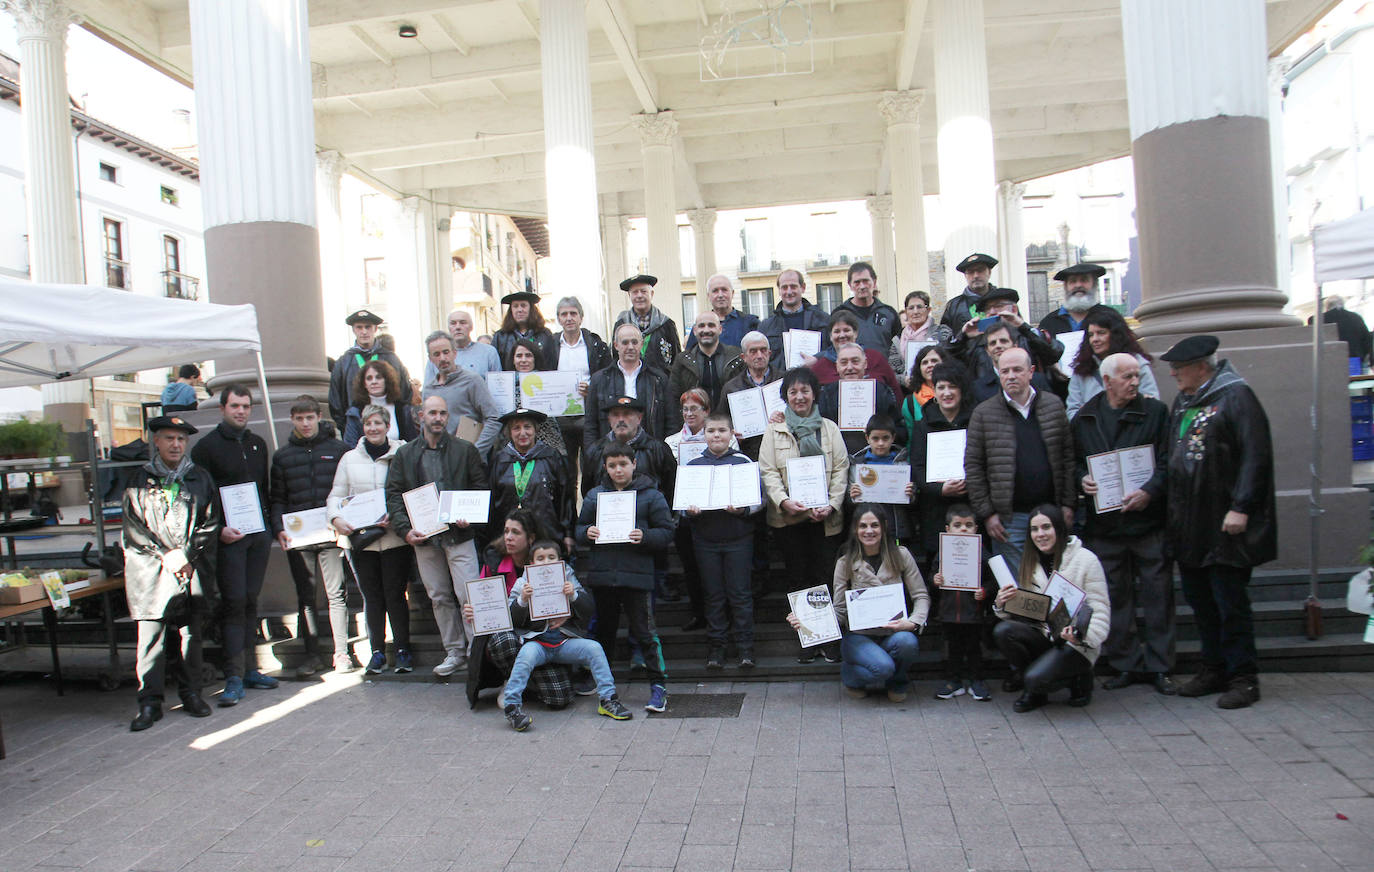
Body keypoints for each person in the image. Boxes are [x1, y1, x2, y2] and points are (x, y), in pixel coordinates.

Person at [1163, 335, 1276, 710]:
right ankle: (1213, 669)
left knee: (1230, 603)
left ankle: (1243, 677)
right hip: (1191, 524)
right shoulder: (1185, 402)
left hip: (1225, 522)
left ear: (1201, 367)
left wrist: (1241, 506)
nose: (1175, 374)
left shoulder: (1237, 397)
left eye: (1179, 368)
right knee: (1201, 602)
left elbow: (1255, 456)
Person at [1073, 353, 1176, 695]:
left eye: (1136, 375)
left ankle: (1161, 665)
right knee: (1114, 597)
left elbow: (1166, 461)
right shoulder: (1085, 418)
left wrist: (1150, 491)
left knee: (1158, 595)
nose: (1135, 382)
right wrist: (1081, 479)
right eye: (1127, 376)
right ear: (1107, 381)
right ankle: (1125, 663)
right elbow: (1072, 463)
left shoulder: (1157, 413)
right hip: (1106, 527)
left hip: (1147, 522)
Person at [124, 415, 219, 731]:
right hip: (152, 571)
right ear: (156, 441)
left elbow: (211, 522)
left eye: (180, 439)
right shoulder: (139, 480)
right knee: (151, 640)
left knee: (190, 637)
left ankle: (191, 694)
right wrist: (167, 555)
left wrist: (188, 556)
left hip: (189, 570)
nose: (176, 444)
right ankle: (149, 703)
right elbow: (134, 530)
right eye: (169, 438)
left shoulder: (200, 478)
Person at [385, 395, 490, 677]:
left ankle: (475, 651)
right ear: (421, 416)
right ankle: (454, 651)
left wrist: (472, 517)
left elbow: (480, 488)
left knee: (468, 593)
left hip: (460, 535)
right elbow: (394, 495)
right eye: (432, 413)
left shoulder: (464, 450)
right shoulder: (406, 454)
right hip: (425, 538)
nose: (438, 418)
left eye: (443, 413)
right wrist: (405, 529)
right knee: (439, 596)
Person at [190, 384, 279, 706]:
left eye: (245, 406)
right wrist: (219, 530)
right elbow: (202, 497)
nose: (240, 411)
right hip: (228, 538)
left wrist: (269, 528)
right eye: (234, 406)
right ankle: (233, 676)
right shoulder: (206, 447)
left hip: (256, 536)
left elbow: (264, 490)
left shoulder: (258, 445)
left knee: (251, 601)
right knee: (233, 602)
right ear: (223, 408)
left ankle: (251, 669)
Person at [576, 443, 676, 713]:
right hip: (603, 576)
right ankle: (604, 687)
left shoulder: (651, 495)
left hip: (637, 576)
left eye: (623, 464)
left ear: (634, 464)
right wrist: (587, 533)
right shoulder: (595, 496)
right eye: (612, 465)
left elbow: (667, 532)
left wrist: (646, 537)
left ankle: (659, 688)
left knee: (645, 634)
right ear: (605, 468)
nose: (618, 470)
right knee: (603, 634)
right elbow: (579, 529)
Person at [759, 366, 849, 662]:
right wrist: (783, 501)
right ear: (785, 395)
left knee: (825, 575)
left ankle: (829, 637)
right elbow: (768, 471)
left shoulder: (830, 428)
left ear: (815, 394)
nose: (799, 396)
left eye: (805, 391)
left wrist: (832, 505)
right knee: (798, 579)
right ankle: (809, 637)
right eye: (793, 391)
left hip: (825, 519)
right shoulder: (774, 430)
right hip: (789, 519)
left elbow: (840, 470)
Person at [499, 540, 635, 731]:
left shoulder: (567, 577)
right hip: (537, 642)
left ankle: (608, 699)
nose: (546, 562)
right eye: (540, 558)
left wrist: (574, 596)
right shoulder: (523, 583)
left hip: (564, 642)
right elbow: (510, 618)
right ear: (530, 564)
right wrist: (522, 600)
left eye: (551, 557)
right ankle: (512, 706)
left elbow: (589, 609)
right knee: (525, 657)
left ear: (560, 561)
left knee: (594, 649)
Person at [965, 348, 1076, 575]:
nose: (1011, 376)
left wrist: (1068, 504)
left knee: (1059, 580)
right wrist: (987, 513)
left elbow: (1067, 458)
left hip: (1051, 513)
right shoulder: (983, 413)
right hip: (1008, 520)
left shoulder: (1054, 406)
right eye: (1004, 371)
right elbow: (974, 467)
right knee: (1021, 591)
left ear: (1031, 371)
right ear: (997, 373)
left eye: (1017, 370)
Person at [992, 505, 1110, 712]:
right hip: (1045, 635)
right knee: (1003, 632)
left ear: (1059, 528)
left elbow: (1100, 612)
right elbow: (1027, 612)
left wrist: (1080, 636)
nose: (1040, 534)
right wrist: (1003, 603)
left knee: (1034, 679)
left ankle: (1079, 678)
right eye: (1034, 529)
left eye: (1046, 527)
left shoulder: (1086, 560)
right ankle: (1036, 691)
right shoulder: (1029, 562)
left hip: (1074, 643)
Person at [269, 395, 352, 676]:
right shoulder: (282, 456)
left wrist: (342, 520)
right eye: (299, 418)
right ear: (292, 420)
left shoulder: (339, 450)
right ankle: (312, 654)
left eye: (309, 417)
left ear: (318, 417)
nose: (305, 423)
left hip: (330, 534)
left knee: (336, 594)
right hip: (299, 537)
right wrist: (278, 528)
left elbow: (346, 492)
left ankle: (341, 652)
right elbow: (277, 497)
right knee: (306, 598)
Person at [327, 404, 413, 675]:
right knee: (372, 597)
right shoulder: (349, 458)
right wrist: (336, 519)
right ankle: (376, 652)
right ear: (362, 427)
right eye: (368, 424)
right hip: (362, 541)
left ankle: (402, 650)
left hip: (394, 539)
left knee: (395, 595)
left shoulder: (402, 452)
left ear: (388, 426)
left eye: (378, 423)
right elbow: (335, 496)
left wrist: (398, 514)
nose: (373, 428)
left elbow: (411, 489)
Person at [813, 505, 928, 701]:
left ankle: (896, 683)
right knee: (883, 667)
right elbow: (840, 609)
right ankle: (851, 677)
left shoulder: (901, 555)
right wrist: (810, 622)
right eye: (863, 526)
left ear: (883, 527)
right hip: (858, 637)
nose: (869, 531)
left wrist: (913, 622)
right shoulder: (845, 563)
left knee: (908, 642)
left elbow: (921, 596)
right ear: (855, 530)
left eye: (874, 525)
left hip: (893, 632)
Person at [466, 511, 577, 711]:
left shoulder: (546, 560)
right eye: (506, 531)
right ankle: (511, 681)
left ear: (531, 538)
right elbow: (483, 603)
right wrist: (474, 612)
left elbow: (573, 597)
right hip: (508, 636)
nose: (508, 537)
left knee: (559, 699)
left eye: (515, 532)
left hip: (541, 637)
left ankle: (530, 683)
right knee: (504, 641)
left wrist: (567, 609)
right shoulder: (494, 562)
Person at [682, 411, 761, 669]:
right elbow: (681, 506)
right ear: (703, 434)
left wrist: (743, 510)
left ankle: (745, 648)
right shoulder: (692, 466)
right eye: (711, 431)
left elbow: (760, 501)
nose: (716, 435)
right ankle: (716, 648)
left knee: (740, 595)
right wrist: (688, 511)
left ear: (731, 435)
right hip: (705, 540)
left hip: (738, 539)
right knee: (714, 595)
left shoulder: (743, 462)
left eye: (722, 431)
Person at [910, 363, 975, 577]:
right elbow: (917, 469)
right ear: (935, 391)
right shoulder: (922, 425)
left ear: (961, 390)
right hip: (935, 509)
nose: (947, 393)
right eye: (941, 387)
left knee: (971, 567)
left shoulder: (975, 421)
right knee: (937, 572)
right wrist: (941, 489)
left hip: (969, 505)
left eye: (952, 387)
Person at [950, 287, 1062, 404]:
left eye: (998, 306)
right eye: (988, 309)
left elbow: (1054, 353)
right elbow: (950, 361)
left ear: (1013, 309)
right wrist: (963, 336)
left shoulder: (1028, 337)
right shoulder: (978, 343)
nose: (992, 312)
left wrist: (1023, 327)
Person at [929, 504, 994, 701]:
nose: (963, 529)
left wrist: (985, 591)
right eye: (957, 525)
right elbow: (931, 576)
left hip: (973, 613)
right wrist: (935, 580)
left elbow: (993, 581)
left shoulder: (983, 553)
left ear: (976, 529)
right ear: (948, 530)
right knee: (952, 649)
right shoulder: (942, 553)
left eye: (969, 525)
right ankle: (953, 681)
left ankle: (977, 681)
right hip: (949, 612)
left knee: (975, 649)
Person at [489, 409, 575, 555]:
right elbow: (493, 500)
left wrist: (568, 533)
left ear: (536, 429)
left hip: (547, 535)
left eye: (527, 427)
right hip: (511, 539)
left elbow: (565, 498)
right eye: (516, 428)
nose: (522, 433)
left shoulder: (552, 457)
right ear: (509, 432)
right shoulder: (500, 460)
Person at [664, 387, 714, 622]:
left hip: (713, 513)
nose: (689, 414)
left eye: (695, 408)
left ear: (706, 411)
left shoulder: (719, 436)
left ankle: (717, 615)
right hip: (684, 514)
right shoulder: (671, 442)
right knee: (691, 566)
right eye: (685, 409)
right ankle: (697, 613)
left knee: (712, 568)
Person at [553, 296, 614, 485]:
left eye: (573, 313)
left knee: (591, 466)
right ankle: (569, 513)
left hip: (588, 416)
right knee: (565, 470)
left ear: (581, 317)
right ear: (558, 318)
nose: (569, 318)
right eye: (564, 314)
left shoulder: (596, 345)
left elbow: (608, 377)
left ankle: (589, 509)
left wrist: (592, 390)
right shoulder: (550, 345)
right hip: (560, 418)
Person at [583, 322, 674, 445]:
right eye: (625, 342)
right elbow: (590, 425)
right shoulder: (599, 380)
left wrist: (662, 453)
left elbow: (671, 423)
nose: (630, 347)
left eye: (635, 342)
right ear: (616, 345)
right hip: (611, 454)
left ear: (641, 344)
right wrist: (593, 455)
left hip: (650, 452)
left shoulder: (659, 379)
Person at [1065, 307, 1160, 418]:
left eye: (1101, 333)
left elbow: (1152, 405)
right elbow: (1072, 412)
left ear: (1116, 334)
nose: (1094, 339)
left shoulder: (1137, 364)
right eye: (1091, 335)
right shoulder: (1082, 370)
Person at [420, 330, 503, 457]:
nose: (442, 358)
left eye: (446, 352)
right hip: (438, 461)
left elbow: (493, 418)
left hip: (468, 463)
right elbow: (425, 426)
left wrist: (475, 452)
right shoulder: (428, 389)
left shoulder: (472, 381)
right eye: (436, 354)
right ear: (431, 359)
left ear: (454, 353)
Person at [329, 309, 412, 431]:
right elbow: (336, 399)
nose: (364, 332)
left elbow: (404, 391)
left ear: (375, 329)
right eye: (359, 327)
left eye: (368, 327)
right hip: (357, 428)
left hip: (391, 427)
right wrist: (347, 426)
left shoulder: (390, 358)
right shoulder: (344, 362)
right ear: (353, 330)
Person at [583, 395, 677, 503]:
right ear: (609, 419)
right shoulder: (595, 451)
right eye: (615, 415)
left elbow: (670, 490)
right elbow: (588, 492)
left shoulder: (658, 449)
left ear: (639, 418)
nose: (621, 419)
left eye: (627, 414)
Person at [817, 343, 903, 454]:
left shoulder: (881, 391)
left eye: (855, 361)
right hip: (838, 457)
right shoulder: (827, 394)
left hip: (875, 457)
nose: (850, 367)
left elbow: (897, 427)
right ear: (837, 367)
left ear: (865, 364)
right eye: (844, 363)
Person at [844, 414, 914, 543]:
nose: (880, 443)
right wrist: (852, 496)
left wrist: (911, 494)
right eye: (875, 438)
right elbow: (849, 501)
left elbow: (912, 502)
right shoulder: (857, 464)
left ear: (893, 438)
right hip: (867, 530)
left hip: (894, 528)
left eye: (885, 438)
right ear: (867, 438)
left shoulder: (902, 464)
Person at [721, 330, 785, 462]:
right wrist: (733, 434)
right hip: (748, 453)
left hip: (782, 449)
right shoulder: (731, 388)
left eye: (763, 350)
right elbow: (722, 421)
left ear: (769, 353)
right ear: (743, 357)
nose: (759, 355)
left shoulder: (784, 381)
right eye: (753, 351)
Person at [500, 338, 568, 456]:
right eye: (519, 356)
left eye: (528, 355)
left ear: (535, 358)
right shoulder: (503, 386)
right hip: (515, 444)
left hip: (547, 443)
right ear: (513, 360)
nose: (524, 360)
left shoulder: (551, 383)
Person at [807, 310, 901, 395]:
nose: (842, 335)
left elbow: (895, 391)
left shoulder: (876, 359)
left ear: (856, 333)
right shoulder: (819, 368)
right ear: (831, 336)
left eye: (847, 330)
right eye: (837, 331)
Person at [669, 310, 744, 412]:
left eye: (711, 325)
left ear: (720, 329)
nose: (706, 330)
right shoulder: (682, 360)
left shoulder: (736, 357)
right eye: (701, 326)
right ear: (695, 330)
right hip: (695, 424)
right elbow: (673, 398)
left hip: (728, 423)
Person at [758, 268, 830, 366]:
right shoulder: (766, 326)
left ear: (803, 287)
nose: (789, 291)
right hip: (781, 379)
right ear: (779, 290)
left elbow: (834, 350)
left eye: (793, 286)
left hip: (816, 378)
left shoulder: (823, 319)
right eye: (784, 287)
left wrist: (817, 358)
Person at [614, 273, 681, 373]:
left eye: (644, 291)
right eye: (635, 292)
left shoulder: (666, 324)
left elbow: (677, 360)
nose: (639, 296)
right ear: (629, 295)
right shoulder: (621, 324)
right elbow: (615, 357)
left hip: (660, 385)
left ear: (652, 294)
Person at [343, 359, 419, 445]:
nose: (374, 382)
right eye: (369, 378)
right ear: (364, 384)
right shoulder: (355, 412)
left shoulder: (402, 410)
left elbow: (412, 444)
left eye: (378, 377)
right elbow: (350, 445)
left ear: (387, 381)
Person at [833, 261, 900, 352]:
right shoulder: (839, 314)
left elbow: (899, 346)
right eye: (857, 282)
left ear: (874, 282)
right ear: (850, 285)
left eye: (865, 281)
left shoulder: (889, 313)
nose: (862, 286)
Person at [424, 309, 502, 385]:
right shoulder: (438, 357)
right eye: (453, 323)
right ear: (448, 328)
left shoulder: (488, 352)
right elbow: (428, 390)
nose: (458, 327)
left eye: (463, 323)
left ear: (471, 327)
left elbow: (498, 387)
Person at [686, 274, 761, 350]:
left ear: (733, 293)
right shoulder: (700, 327)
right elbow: (689, 357)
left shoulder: (750, 323)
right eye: (715, 291)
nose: (720, 295)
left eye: (724, 290)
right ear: (708, 296)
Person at [493, 291, 558, 371]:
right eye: (515, 306)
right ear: (511, 310)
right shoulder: (500, 337)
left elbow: (552, 364)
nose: (519, 310)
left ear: (531, 309)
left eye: (523, 305)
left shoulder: (545, 334)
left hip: (539, 382)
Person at [1039, 262, 1107, 336]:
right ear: (1066, 287)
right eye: (1073, 281)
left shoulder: (1110, 317)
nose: (1078, 285)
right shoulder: (1049, 323)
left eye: (1084, 280)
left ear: (1094, 284)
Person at [938, 252, 999, 333]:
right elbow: (945, 339)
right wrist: (963, 335)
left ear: (989, 272)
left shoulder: (1003, 300)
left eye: (980, 270)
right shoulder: (954, 306)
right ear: (965, 276)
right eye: (971, 272)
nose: (976, 275)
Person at [888, 291, 934, 390]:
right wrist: (904, 380)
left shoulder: (940, 333)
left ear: (928, 310)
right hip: (907, 392)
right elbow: (892, 372)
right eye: (911, 308)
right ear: (906, 312)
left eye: (919, 307)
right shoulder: (898, 340)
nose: (915, 312)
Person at [898, 344, 947, 433]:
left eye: (934, 361)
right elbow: (911, 437)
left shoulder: (955, 394)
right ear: (919, 369)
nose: (930, 365)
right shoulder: (910, 402)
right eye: (925, 362)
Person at [1320, 295, 1373, 369]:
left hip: (1330, 361)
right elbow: (1367, 340)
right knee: (1355, 379)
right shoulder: (1356, 317)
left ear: (1327, 307)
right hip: (1354, 360)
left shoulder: (1319, 319)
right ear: (1343, 304)